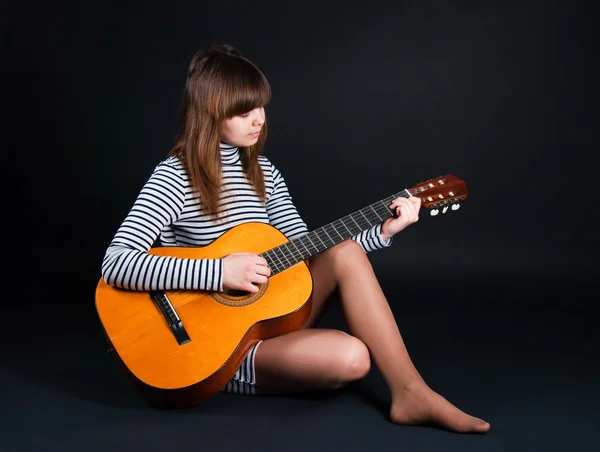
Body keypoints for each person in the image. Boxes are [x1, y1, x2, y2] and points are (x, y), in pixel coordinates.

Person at [101, 43, 490, 434]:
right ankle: (219, 373)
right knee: (351, 358)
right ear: (210, 113)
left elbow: (308, 253)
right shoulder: (175, 176)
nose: (259, 120)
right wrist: (218, 272)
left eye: (261, 107)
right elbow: (116, 262)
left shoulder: (265, 173)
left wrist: (383, 233)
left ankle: (411, 393)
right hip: (211, 344)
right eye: (244, 111)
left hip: (269, 320)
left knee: (346, 250)